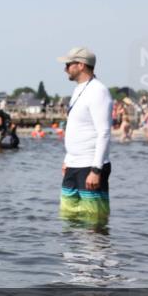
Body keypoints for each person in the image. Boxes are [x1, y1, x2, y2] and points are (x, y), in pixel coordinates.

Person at [57, 47, 112, 227]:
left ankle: (96, 255)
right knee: (68, 219)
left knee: (93, 221)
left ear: (80, 65)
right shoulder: (79, 89)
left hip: (90, 166)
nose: (65, 68)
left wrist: (96, 170)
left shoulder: (98, 91)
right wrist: (68, 159)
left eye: (68, 64)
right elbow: (77, 128)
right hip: (73, 164)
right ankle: (73, 256)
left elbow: (103, 132)